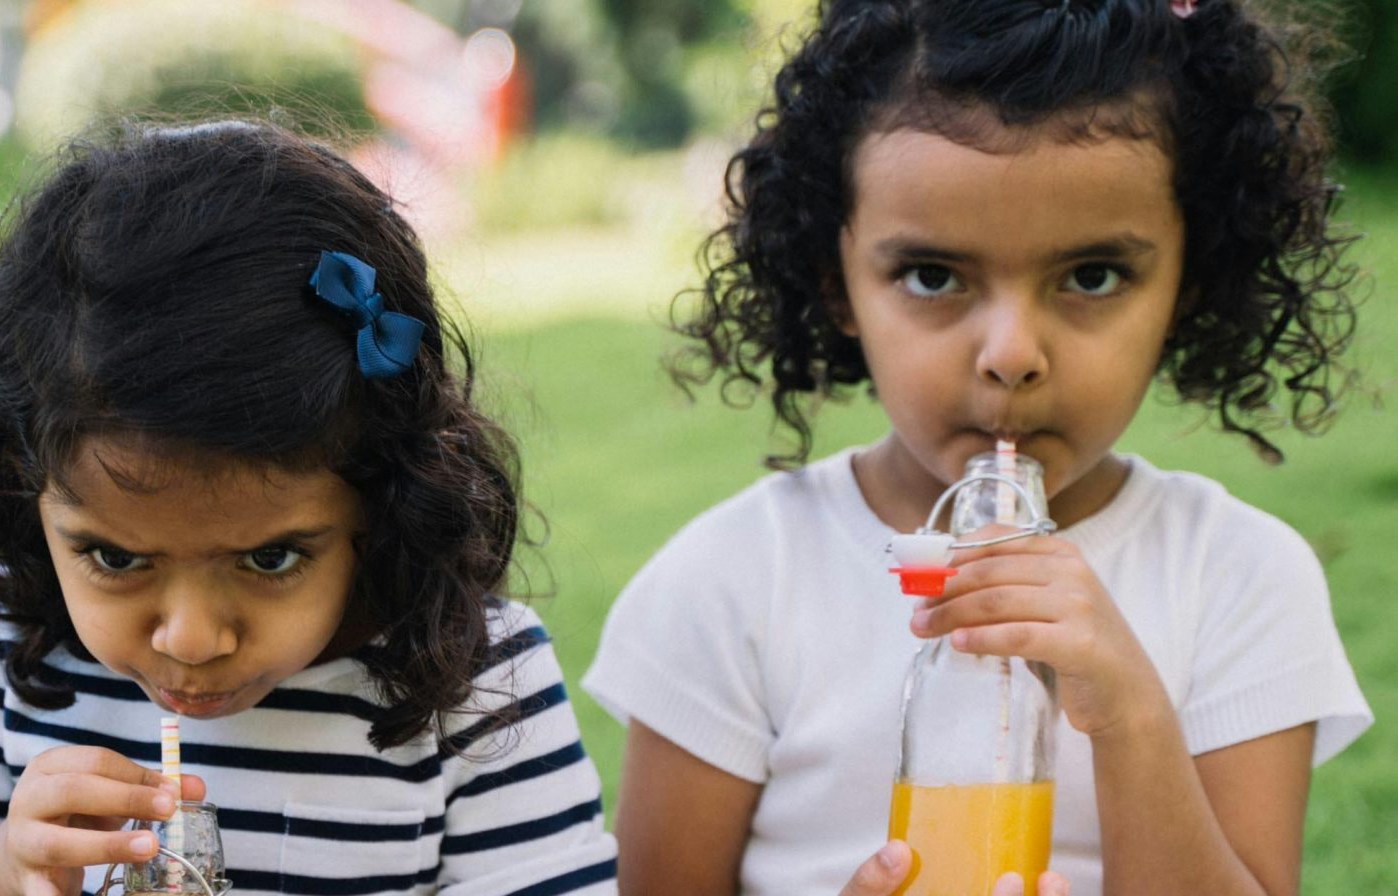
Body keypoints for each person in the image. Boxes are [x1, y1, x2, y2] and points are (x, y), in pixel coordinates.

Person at [582, 0, 1373, 893]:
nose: (1011, 354)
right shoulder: (734, 580)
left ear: (1190, 282)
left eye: (1092, 276)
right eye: (933, 276)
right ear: (835, 283)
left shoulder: (1237, 577)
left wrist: (1130, 712)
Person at [0, 119, 617, 896]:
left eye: (270, 558)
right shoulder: (1, 648)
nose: (192, 638)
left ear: (381, 496)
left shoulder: (476, 679)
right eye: (114, 557)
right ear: (24, 484)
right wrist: (5, 873)